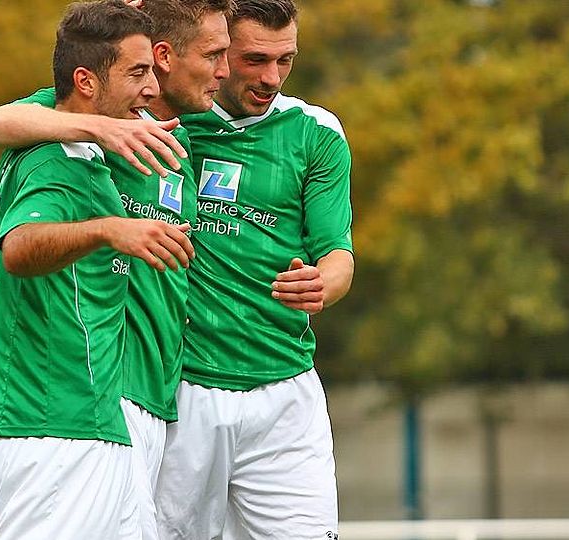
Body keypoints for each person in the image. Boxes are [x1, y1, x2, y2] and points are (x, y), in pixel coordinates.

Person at [0, 1, 230, 537]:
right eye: (137, 73)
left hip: (87, 415)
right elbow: (18, 247)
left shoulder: (81, 152)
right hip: (56, 414)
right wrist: (110, 230)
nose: (151, 88)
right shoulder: (57, 152)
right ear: (86, 82)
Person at [155, 0, 354, 538]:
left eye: (285, 60)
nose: (272, 77)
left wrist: (321, 284)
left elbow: (338, 254)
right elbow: (6, 119)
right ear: (219, 53)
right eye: (255, 59)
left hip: (286, 392)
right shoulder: (167, 118)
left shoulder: (316, 133)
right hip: (183, 390)